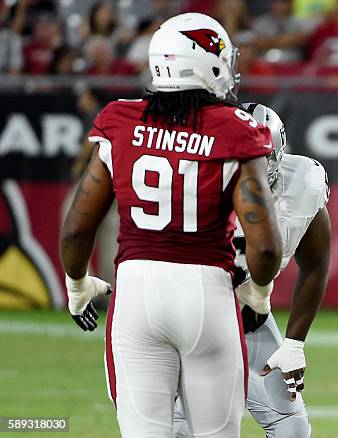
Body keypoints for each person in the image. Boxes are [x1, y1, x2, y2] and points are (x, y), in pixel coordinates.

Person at [60, 13, 282, 437]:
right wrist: (258, 293)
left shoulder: (120, 121)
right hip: (206, 293)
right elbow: (266, 246)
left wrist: (77, 285)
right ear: (207, 64)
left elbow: (76, 228)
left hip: (135, 294)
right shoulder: (237, 129)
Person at [173, 103, 331, 438]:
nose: (250, 168)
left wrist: (294, 343)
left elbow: (316, 266)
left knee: (292, 428)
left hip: (248, 317)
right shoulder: (186, 184)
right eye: (238, 157)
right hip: (182, 314)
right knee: (181, 429)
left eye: (259, 156)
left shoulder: (303, 181)